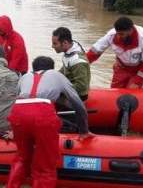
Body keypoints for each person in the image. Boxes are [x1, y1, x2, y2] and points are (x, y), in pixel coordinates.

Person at [6, 56, 91, 188]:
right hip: (43, 114)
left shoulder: (24, 77)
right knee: (45, 164)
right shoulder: (57, 75)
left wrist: (13, 129)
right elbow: (77, 103)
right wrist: (84, 130)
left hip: (18, 114)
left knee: (22, 158)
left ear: (34, 68)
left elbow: (16, 100)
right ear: (51, 68)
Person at [86, 17, 143, 88]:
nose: (119, 36)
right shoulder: (111, 35)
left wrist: (137, 81)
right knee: (115, 90)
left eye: (122, 34)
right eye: (118, 33)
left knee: (132, 91)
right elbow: (94, 52)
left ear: (130, 30)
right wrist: (82, 63)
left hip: (138, 70)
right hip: (121, 67)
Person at [52, 27, 91, 101]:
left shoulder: (78, 61)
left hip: (78, 97)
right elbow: (64, 69)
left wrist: (60, 90)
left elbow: (81, 86)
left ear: (65, 43)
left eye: (55, 44)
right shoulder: (68, 51)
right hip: (70, 90)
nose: (52, 46)